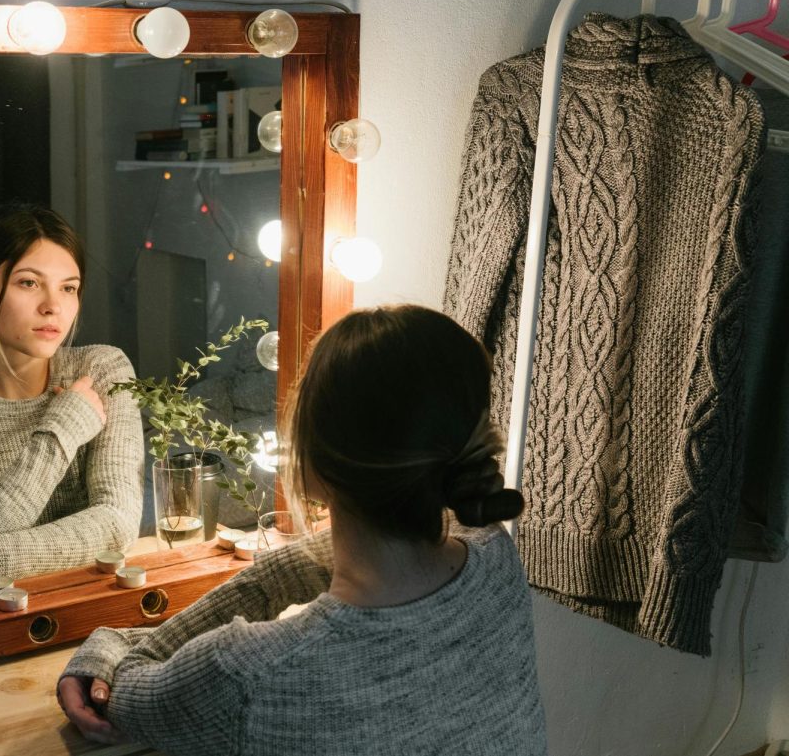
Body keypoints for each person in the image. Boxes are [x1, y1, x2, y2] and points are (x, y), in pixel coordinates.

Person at [57, 304, 547, 755]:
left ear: (313, 460)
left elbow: (123, 693)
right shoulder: (496, 560)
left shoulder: (249, 675)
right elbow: (291, 573)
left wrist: (106, 644)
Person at [0, 202, 144, 591]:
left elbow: (117, 525)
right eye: (29, 283)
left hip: (96, 607)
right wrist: (63, 430)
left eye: (68, 288)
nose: (53, 307)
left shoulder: (103, 370)